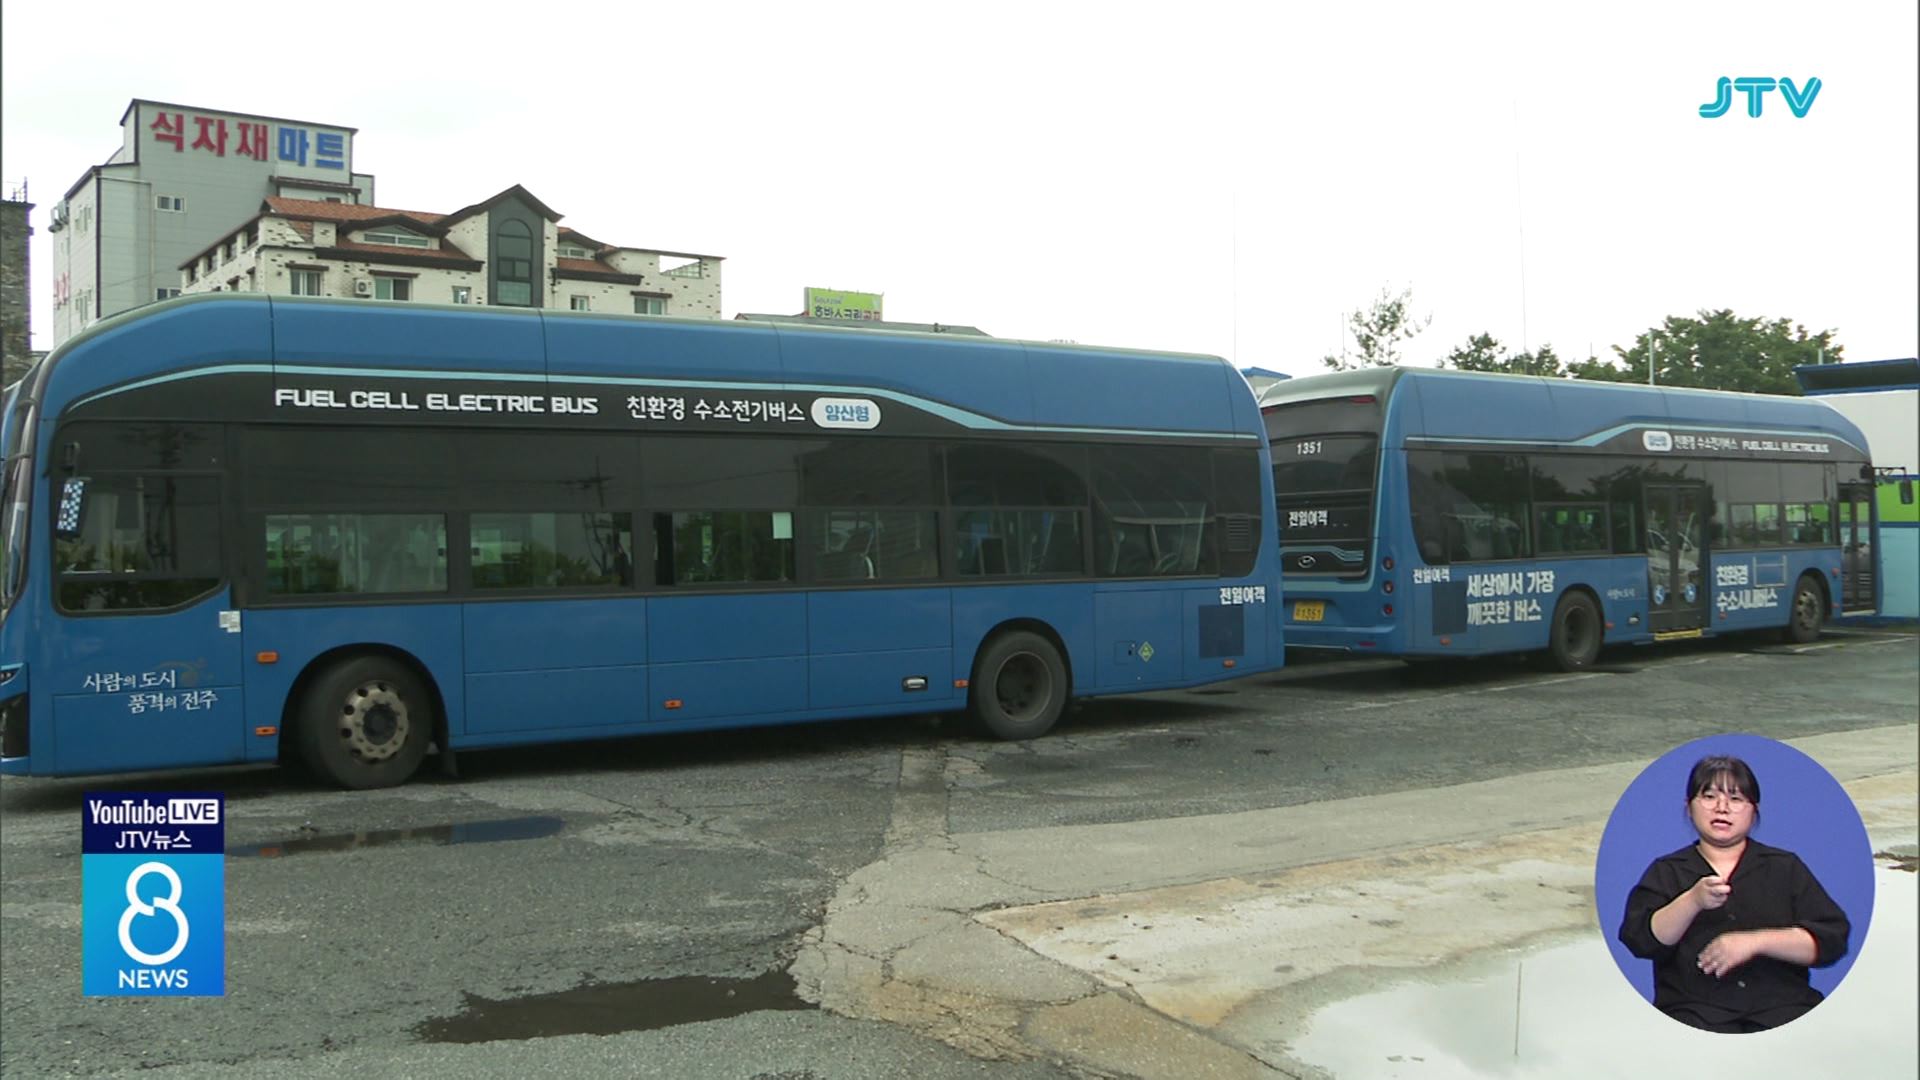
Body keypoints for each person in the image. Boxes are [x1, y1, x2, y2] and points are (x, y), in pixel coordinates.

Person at [1617, 754, 1851, 1033]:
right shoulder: (1666, 870)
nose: (1722, 808)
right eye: (1709, 796)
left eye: (1736, 798)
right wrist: (1692, 901)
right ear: (1689, 807)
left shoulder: (1784, 866)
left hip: (1784, 1009)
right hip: (1694, 1015)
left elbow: (1830, 940)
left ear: (1754, 811)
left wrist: (1754, 942)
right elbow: (1641, 940)